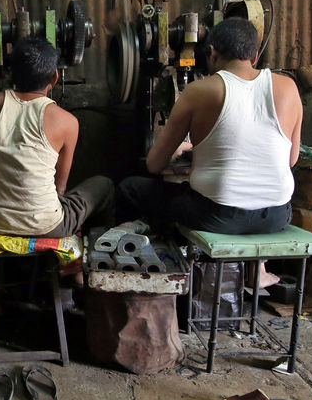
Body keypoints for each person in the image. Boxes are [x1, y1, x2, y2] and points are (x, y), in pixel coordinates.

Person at [117, 18, 302, 283]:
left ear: (212, 52)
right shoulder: (288, 87)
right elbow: (291, 159)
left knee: (131, 188)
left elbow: (154, 165)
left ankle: (148, 270)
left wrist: (182, 150)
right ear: (255, 53)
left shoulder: (198, 91)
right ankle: (256, 271)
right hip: (276, 215)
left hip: (216, 216)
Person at [0, 0, 114, 237]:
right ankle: (83, 264)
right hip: (47, 227)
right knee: (103, 185)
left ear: (10, 73)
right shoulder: (68, 122)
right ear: (54, 77)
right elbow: (60, 187)